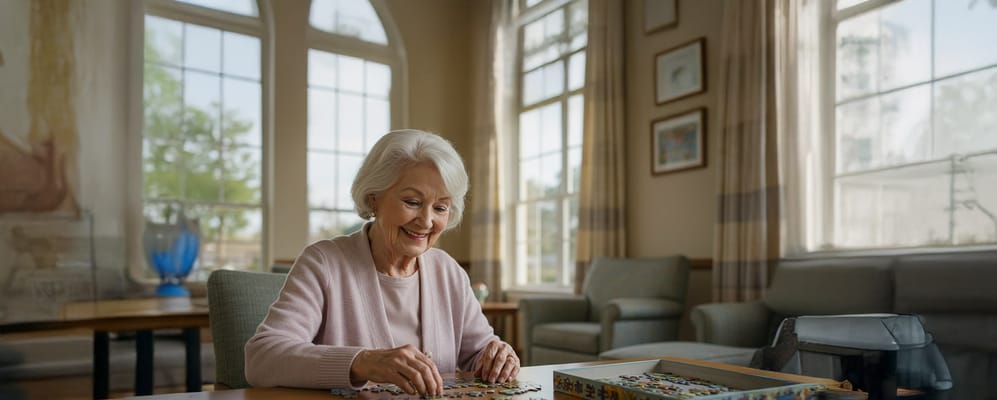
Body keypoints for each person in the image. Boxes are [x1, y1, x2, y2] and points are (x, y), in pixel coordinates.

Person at [245, 129, 519, 395]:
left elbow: (480, 351)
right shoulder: (324, 263)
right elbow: (262, 357)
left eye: (440, 208)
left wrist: (497, 356)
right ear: (373, 198)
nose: (425, 221)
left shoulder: (448, 271)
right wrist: (362, 362)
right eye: (412, 201)